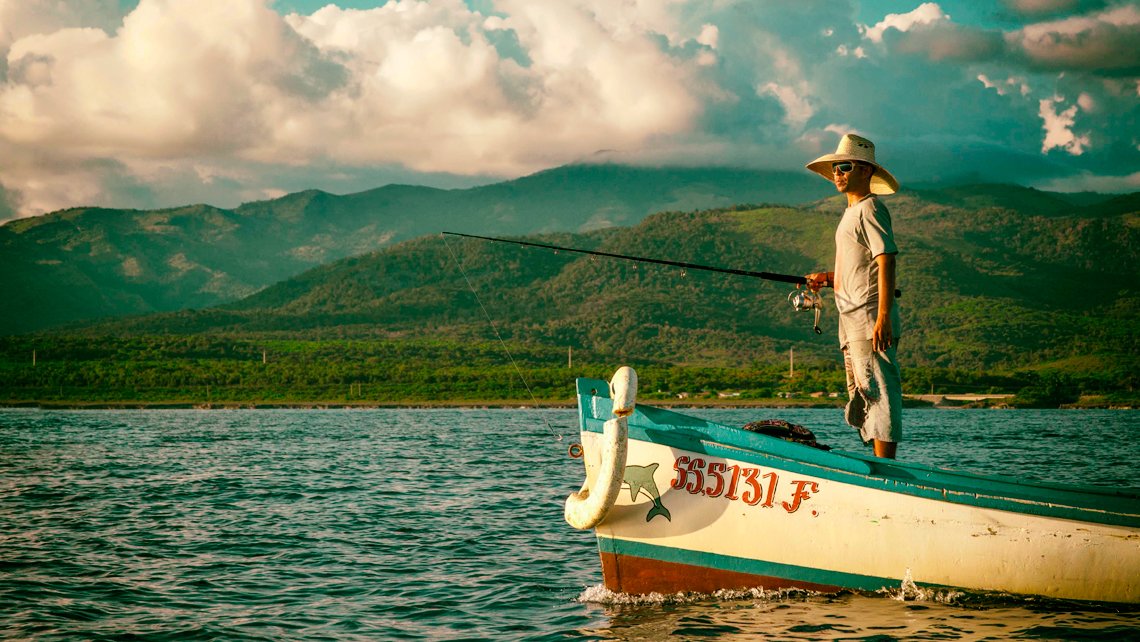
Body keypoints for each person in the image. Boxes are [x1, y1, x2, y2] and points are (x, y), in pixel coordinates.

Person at [803, 134, 902, 459]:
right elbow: (860, 268)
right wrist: (829, 279)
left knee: (878, 392)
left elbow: (885, 258)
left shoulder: (871, 208)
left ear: (864, 170)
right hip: (850, 320)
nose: (837, 174)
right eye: (835, 168)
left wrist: (884, 317)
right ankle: (876, 463)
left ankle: (885, 469)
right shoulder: (851, 213)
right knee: (861, 394)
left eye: (844, 167)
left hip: (869, 318)